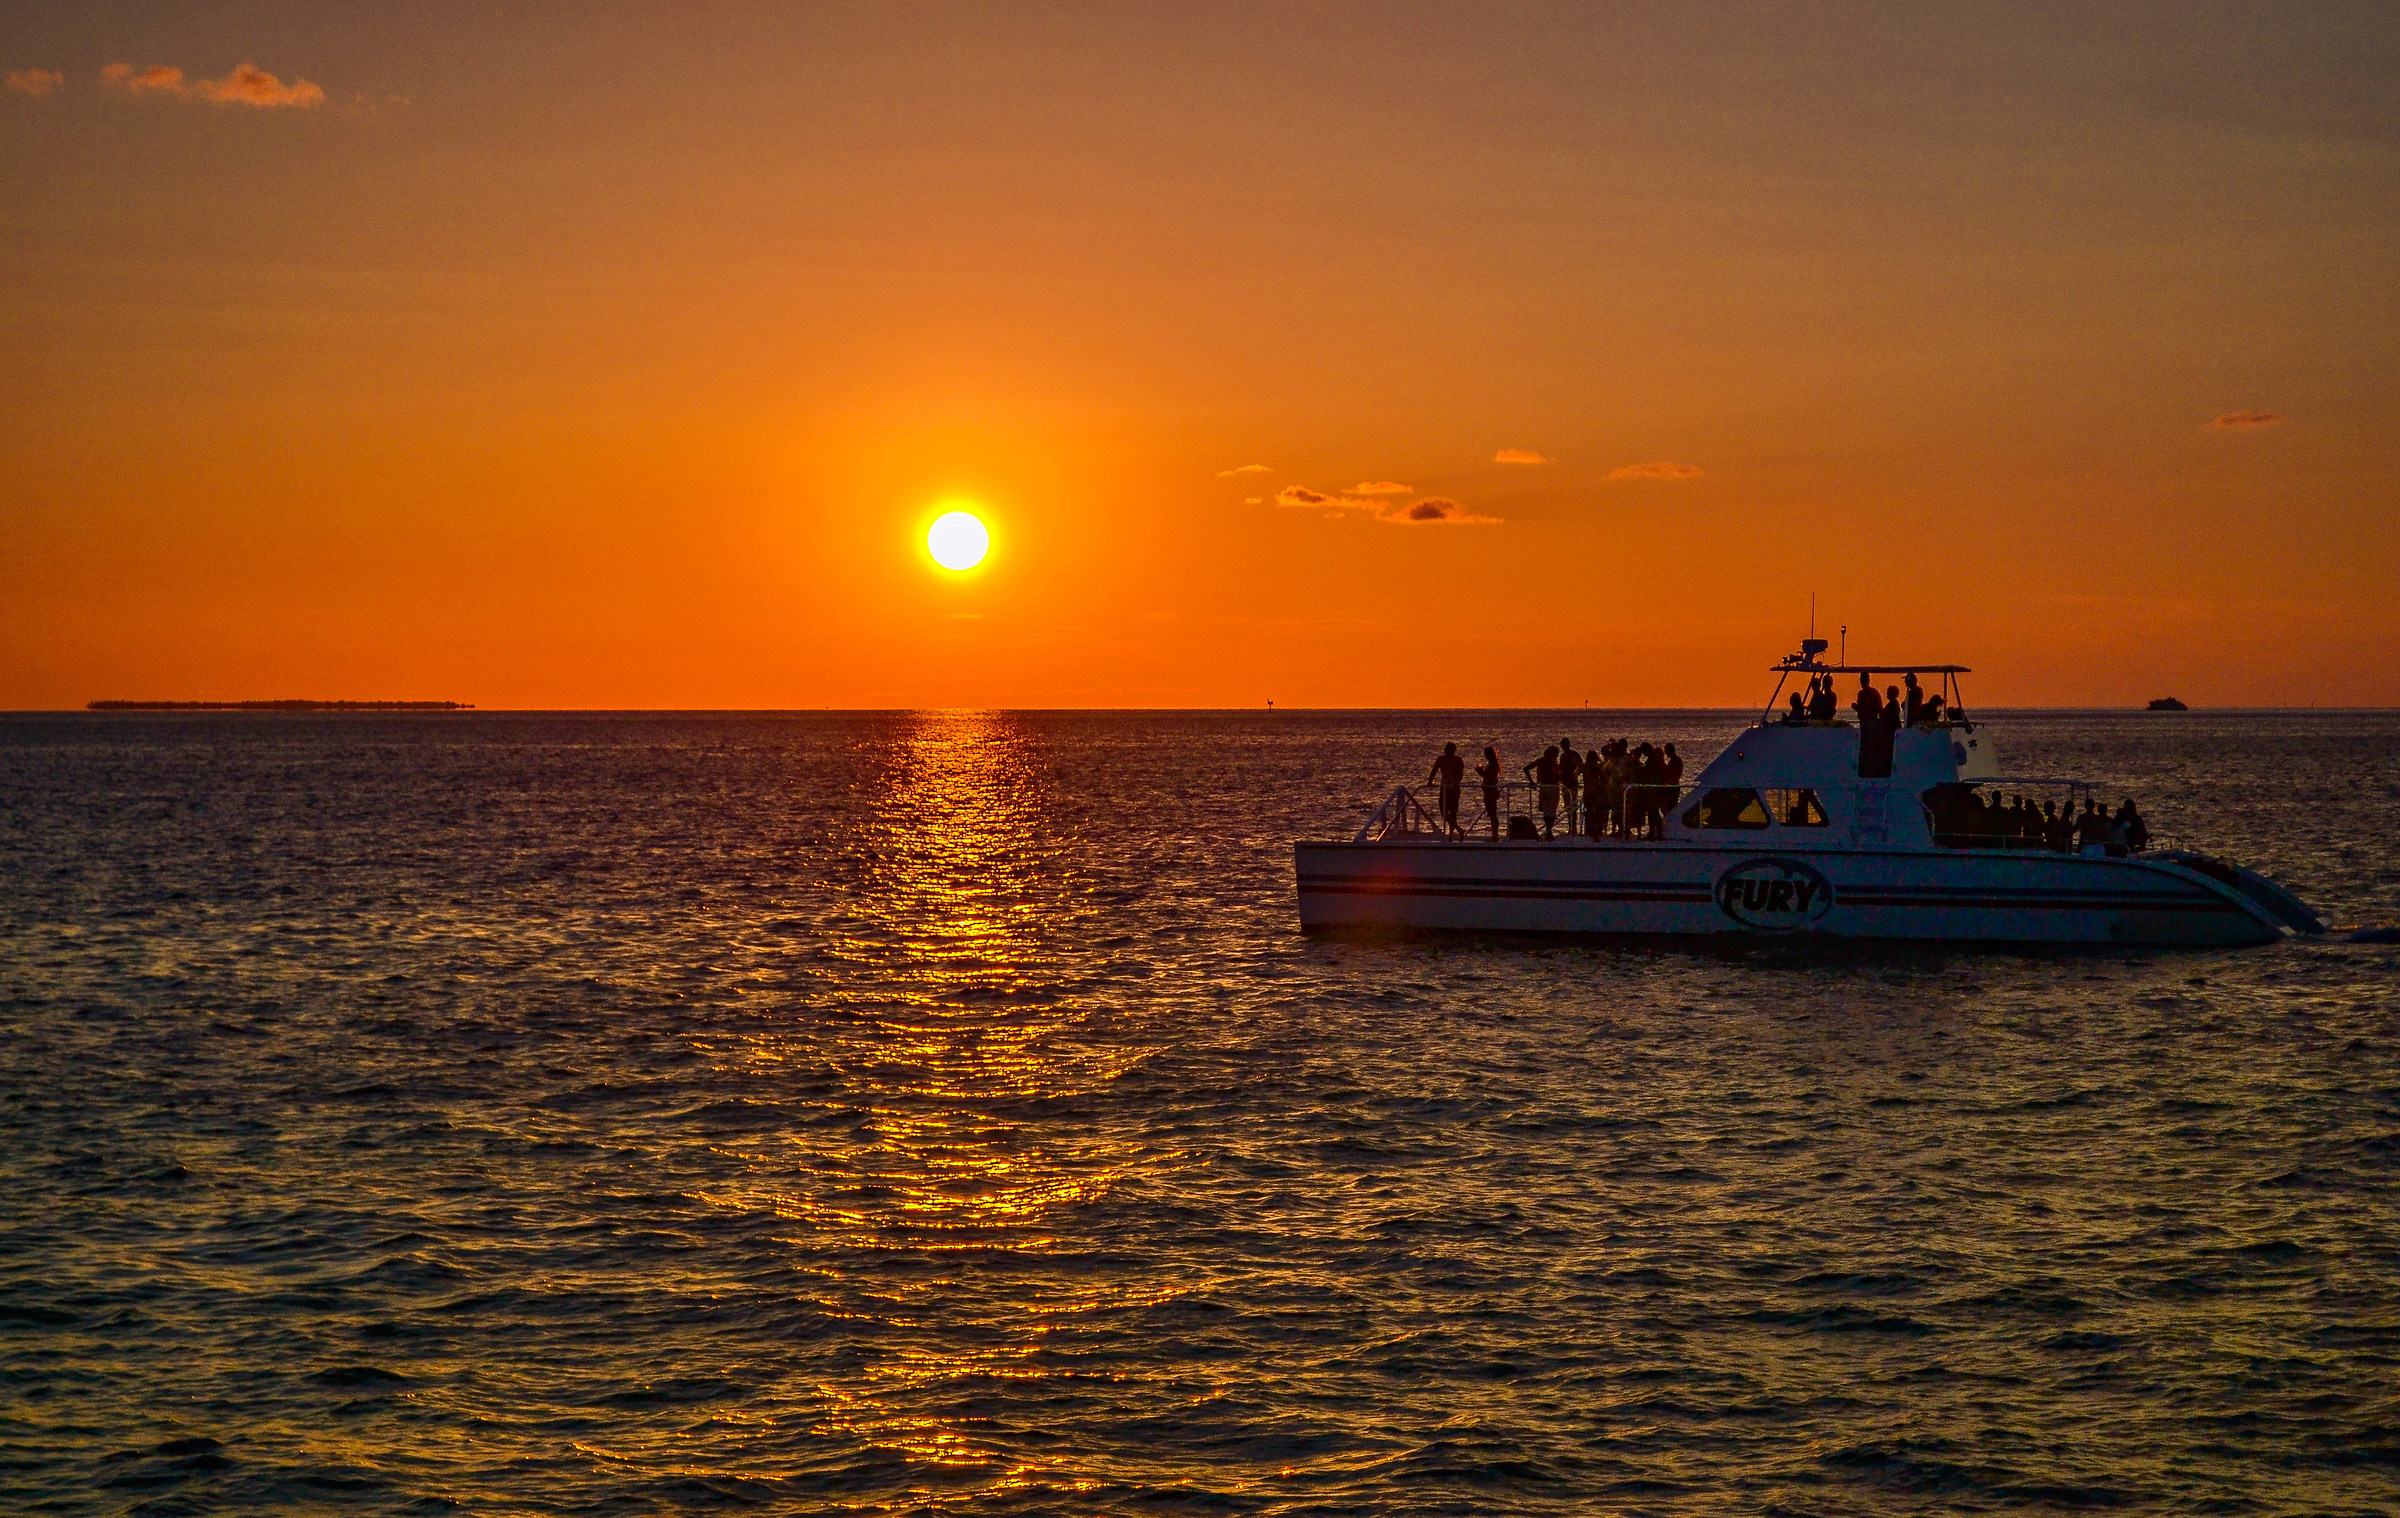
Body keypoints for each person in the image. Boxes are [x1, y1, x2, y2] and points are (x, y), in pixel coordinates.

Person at [1428, 742, 1466, 838]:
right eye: (1445, 748)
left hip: (1454, 788)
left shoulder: (1458, 760)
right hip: (1444, 788)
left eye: (1447, 749)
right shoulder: (1441, 759)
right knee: (1443, 810)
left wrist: (1455, 782)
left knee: (1453, 811)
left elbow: (1460, 774)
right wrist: (1430, 781)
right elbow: (1434, 770)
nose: (1445, 751)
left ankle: (1451, 833)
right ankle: (1458, 828)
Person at [1525, 745, 1561, 840]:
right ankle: (1549, 832)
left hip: (1544, 787)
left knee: (1547, 810)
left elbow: (1526, 769)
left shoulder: (1541, 761)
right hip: (1551, 787)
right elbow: (1559, 776)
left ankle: (1548, 831)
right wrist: (1532, 782)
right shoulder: (1552, 763)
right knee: (1550, 810)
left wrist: (1532, 781)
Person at [1476, 746, 1503, 840]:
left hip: (1490, 791)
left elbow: (1492, 778)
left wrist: (1481, 772)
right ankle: (1494, 834)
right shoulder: (1492, 764)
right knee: (1492, 813)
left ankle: (1495, 835)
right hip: (1488, 791)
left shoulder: (1493, 765)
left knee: (1492, 814)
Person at [1557, 737, 1581, 835]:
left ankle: (1573, 828)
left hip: (1572, 784)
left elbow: (1580, 766)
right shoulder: (1563, 756)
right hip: (1565, 784)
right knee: (1568, 807)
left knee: (1573, 806)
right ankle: (1571, 828)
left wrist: (1575, 775)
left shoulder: (1574, 755)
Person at [1584, 749, 1605, 838]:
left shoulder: (1586, 767)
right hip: (1595, 792)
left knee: (1591, 812)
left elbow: (1575, 774)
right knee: (1595, 813)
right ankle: (1596, 832)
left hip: (1591, 792)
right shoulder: (1599, 767)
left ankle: (1591, 831)